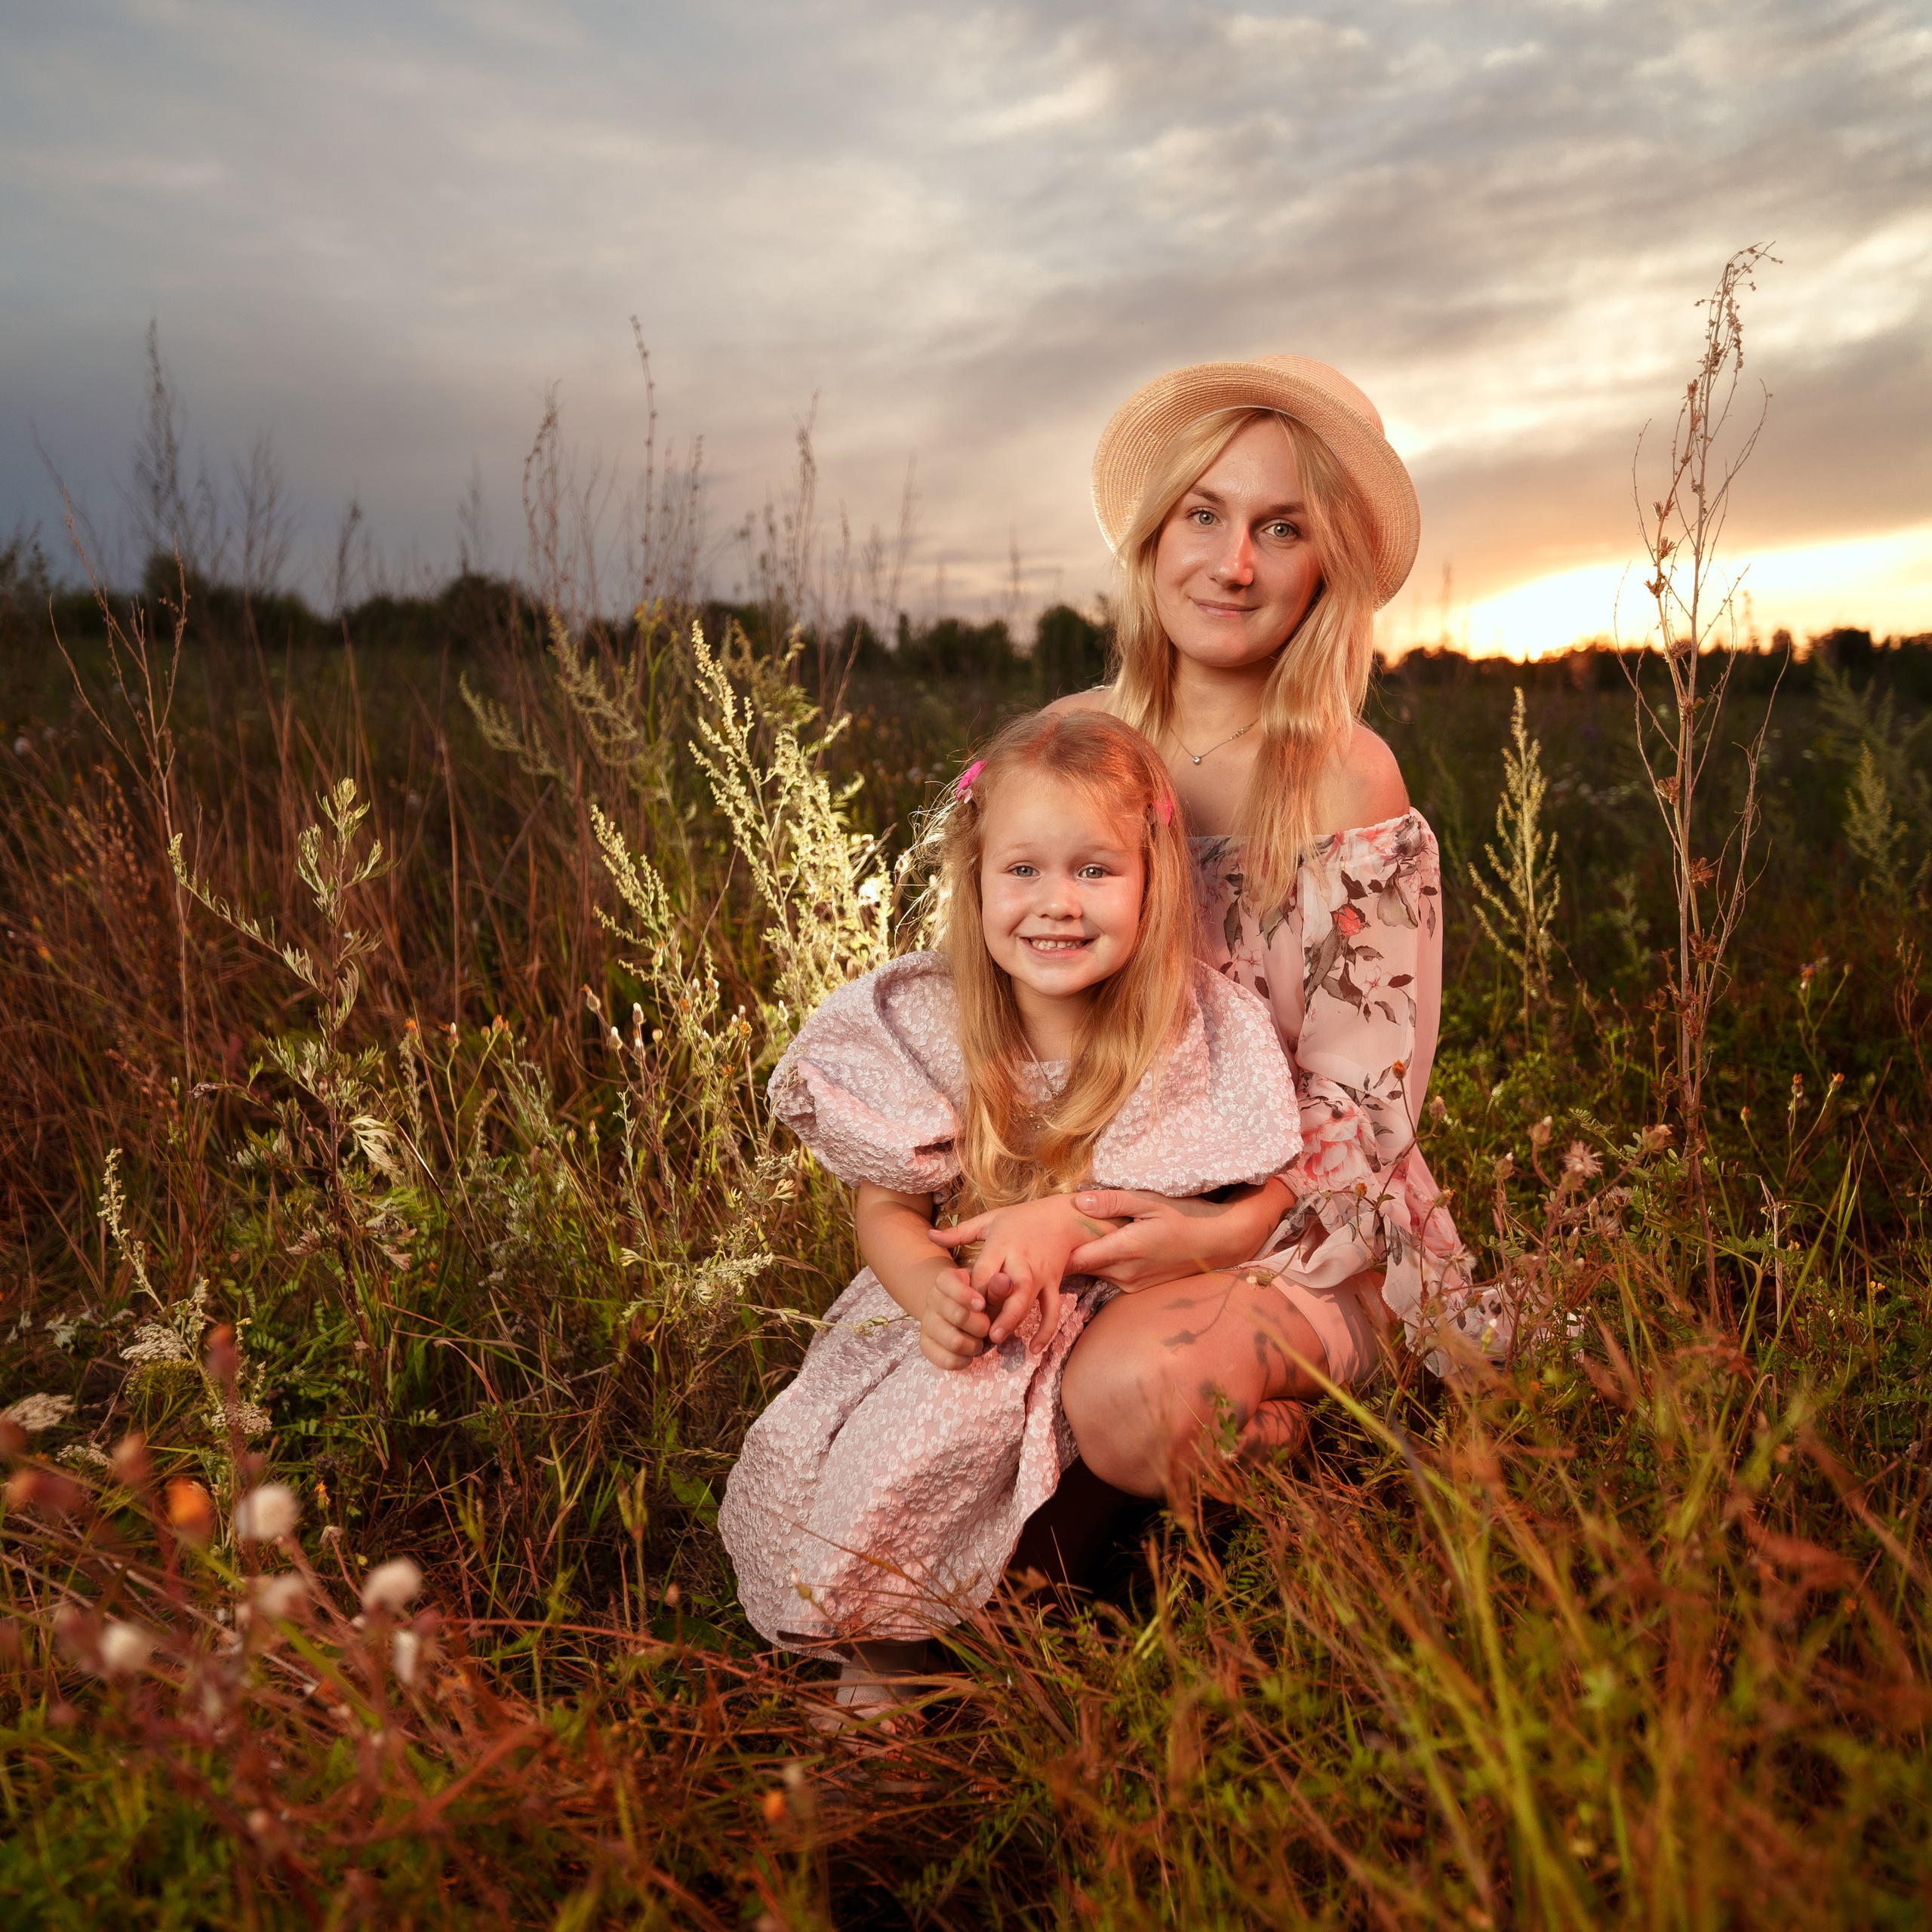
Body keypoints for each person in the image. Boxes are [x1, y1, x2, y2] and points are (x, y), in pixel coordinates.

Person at [717, 709, 1304, 1711]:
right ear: (978, 880)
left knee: (1034, 1563)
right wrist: (925, 1289)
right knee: (894, 1453)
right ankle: (882, 1664)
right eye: (1023, 872)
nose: (1057, 905)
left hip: (1094, 1333)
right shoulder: (931, 1019)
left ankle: (1008, 1631)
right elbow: (887, 1211)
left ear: (1152, 879)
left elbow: (1200, 1200)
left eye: (1095, 871)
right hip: (964, 1322)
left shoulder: (1184, 1031)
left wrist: (1063, 1229)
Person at [1015, 352, 1506, 1502]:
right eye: (1205, 514)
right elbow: (988, 999)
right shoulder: (1071, 745)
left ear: (1326, 561)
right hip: (1087, 1205)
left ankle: (1313, 1460)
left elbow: (1364, 1108)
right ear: (1154, 535)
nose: (1234, 565)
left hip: (1294, 1228)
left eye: (1282, 529)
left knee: (1128, 1395)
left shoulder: (1344, 778)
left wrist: (1215, 1236)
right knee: (921, 1360)